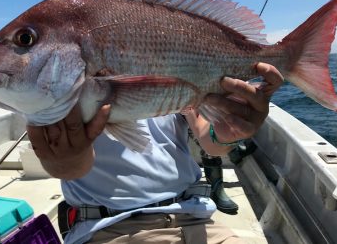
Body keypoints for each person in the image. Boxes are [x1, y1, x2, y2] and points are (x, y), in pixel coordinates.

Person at [28, 59, 282, 244]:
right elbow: (70, 169)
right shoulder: (69, 81)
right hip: (111, 230)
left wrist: (230, 135)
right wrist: (66, 158)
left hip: (196, 220)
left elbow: (211, 141)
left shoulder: (171, 69)